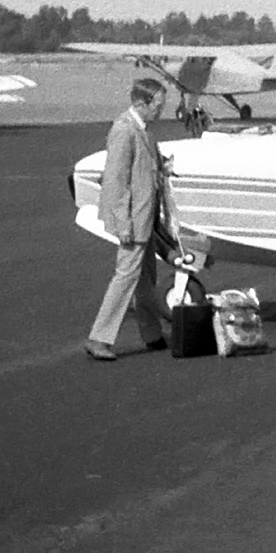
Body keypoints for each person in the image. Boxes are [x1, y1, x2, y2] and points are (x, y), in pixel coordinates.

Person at [84, 77, 171, 361]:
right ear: (141, 103)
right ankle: (99, 338)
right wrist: (123, 224)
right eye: (158, 105)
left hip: (145, 218)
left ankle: (152, 334)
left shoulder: (144, 130)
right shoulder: (125, 130)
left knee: (145, 279)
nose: (161, 110)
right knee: (125, 278)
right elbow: (116, 182)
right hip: (132, 220)